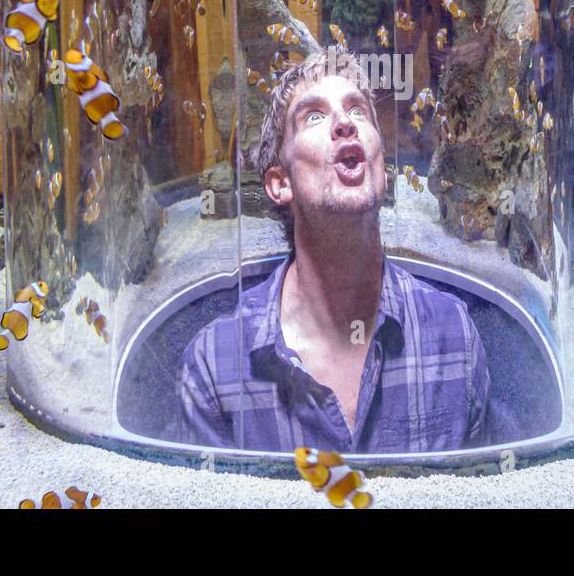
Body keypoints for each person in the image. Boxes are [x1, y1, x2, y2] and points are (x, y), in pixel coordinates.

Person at [177, 46, 490, 452]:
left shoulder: (455, 337)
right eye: (314, 116)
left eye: (359, 110)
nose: (345, 122)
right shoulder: (213, 369)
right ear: (279, 182)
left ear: (381, 164)